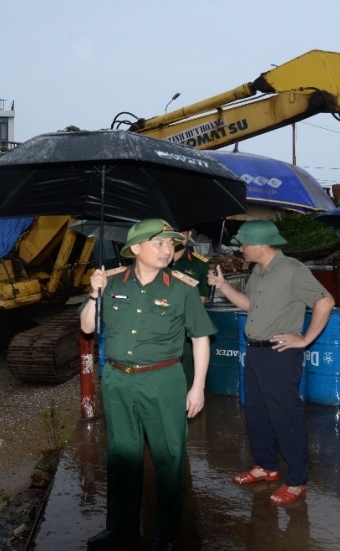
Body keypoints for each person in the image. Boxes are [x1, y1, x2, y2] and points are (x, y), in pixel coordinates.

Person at [80, 218, 216, 551]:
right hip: (117, 380)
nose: (167, 250)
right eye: (159, 243)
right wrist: (94, 295)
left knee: (169, 458)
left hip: (163, 381)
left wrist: (197, 386)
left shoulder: (182, 287)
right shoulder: (109, 282)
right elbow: (87, 328)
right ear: (135, 248)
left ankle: (166, 533)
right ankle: (121, 527)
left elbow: (200, 338)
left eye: (170, 244)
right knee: (122, 456)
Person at [208, 219, 334, 506]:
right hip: (255, 352)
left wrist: (305, 339)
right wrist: (223, 286)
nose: (241, 249)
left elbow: (325, 301)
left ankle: (297, 480)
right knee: (258, 412)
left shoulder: (292, 270)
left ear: (261, 245)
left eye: (244, 244)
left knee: (284, 416)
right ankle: (266, 465)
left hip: (280, 353)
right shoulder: (258, 270)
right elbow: (251, 305)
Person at [168, 228, 211, 388]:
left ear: (190, 234)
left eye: (183, 232)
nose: (179, 236)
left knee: (185, 381)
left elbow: (200, 301)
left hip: (185, 332)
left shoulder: (199, 264)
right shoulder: (156, 262)